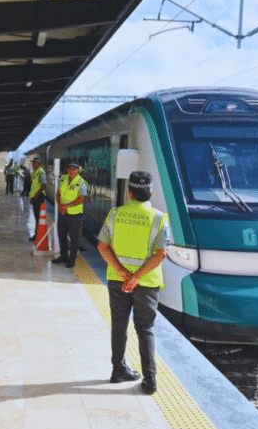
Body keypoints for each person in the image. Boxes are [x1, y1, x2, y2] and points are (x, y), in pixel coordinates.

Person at [97, 171, 171, 395]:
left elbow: (102, 246)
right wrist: (136, 277)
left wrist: (122, 272)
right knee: (145, 329)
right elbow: (160, 254)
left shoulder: (115, 214)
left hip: (117, 281)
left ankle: (118, 370)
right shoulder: (159, 218)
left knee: (119, 326)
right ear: (151, 192)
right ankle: (150, 381)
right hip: (146, 283)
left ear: (129, 193)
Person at [52, 163, 87, 268]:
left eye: (73, 169)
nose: (71, 171)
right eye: (69, 169)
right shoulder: (63, 179)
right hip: (62, 212)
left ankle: (71, 260)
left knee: (74, 237)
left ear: (78, 171)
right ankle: (63, 256)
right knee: (61, 235)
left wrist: (65, 206)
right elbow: (58, 193)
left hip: (75, 214)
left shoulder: (82, 182)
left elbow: (82, 199)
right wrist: (60, 206)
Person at [27, 157, 47, 241]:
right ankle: (37, 234)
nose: (33, 164)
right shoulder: (35, 172)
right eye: (33, 163)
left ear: (39, 163)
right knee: (36, 217)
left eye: (35, 163)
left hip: (38, 197)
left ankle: (38, 235)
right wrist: (32, 197)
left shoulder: (41, 172)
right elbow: (34, 186)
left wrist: (37, 195)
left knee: (38, 217)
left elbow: (44, 185)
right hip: (35, 197)